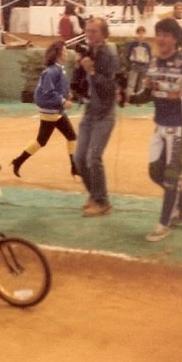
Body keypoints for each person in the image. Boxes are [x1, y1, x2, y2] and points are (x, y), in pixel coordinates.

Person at [129, 18, 182, 242]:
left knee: (172, 175)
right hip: (161, 126)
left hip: (181, 127)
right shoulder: (153, 64)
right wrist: (129, 97)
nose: (160, 39)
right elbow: (147, 95)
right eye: (158, 34)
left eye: (166, 34)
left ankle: (164, 223)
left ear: (175, 39)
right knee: (155, 172)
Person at [11, 40, 78, 178]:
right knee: (43, 140)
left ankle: (74, 167)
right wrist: (63, 100)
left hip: (55, 111)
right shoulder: (53, 70)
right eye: (64, 51)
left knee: (68, 136)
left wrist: (66, 94)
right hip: (51, 111)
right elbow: (48, 90)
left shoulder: (57, 69)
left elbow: (58, 86)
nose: (66, 54)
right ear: (58, 54)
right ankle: (18, 161)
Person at [73, 18, 118, 217]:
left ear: (103, 33)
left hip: (104, 113)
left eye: (94, 31)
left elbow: (109, 87)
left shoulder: (109, 55)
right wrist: (78, 68)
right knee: (79, 158)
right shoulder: (88, 52)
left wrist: (90, 71)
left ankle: (102, 201)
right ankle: (95, 195)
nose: (89, 34)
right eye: (87, 31)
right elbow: (77, 84)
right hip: (89, 111)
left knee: (93, 157)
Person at [126, 26, 152, 96]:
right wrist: (130, 64)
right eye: (139, 33)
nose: (141, 35)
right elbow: (128, 55)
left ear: (145, 34)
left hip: (144, 66)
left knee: (141, 84)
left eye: (143, 33)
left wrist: (147, 66)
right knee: (131, 83)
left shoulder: (147, 45)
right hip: (134, 65)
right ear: (137, 34)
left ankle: (139, 100)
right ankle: (128, 99)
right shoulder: (132, 44)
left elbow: (149, 57)